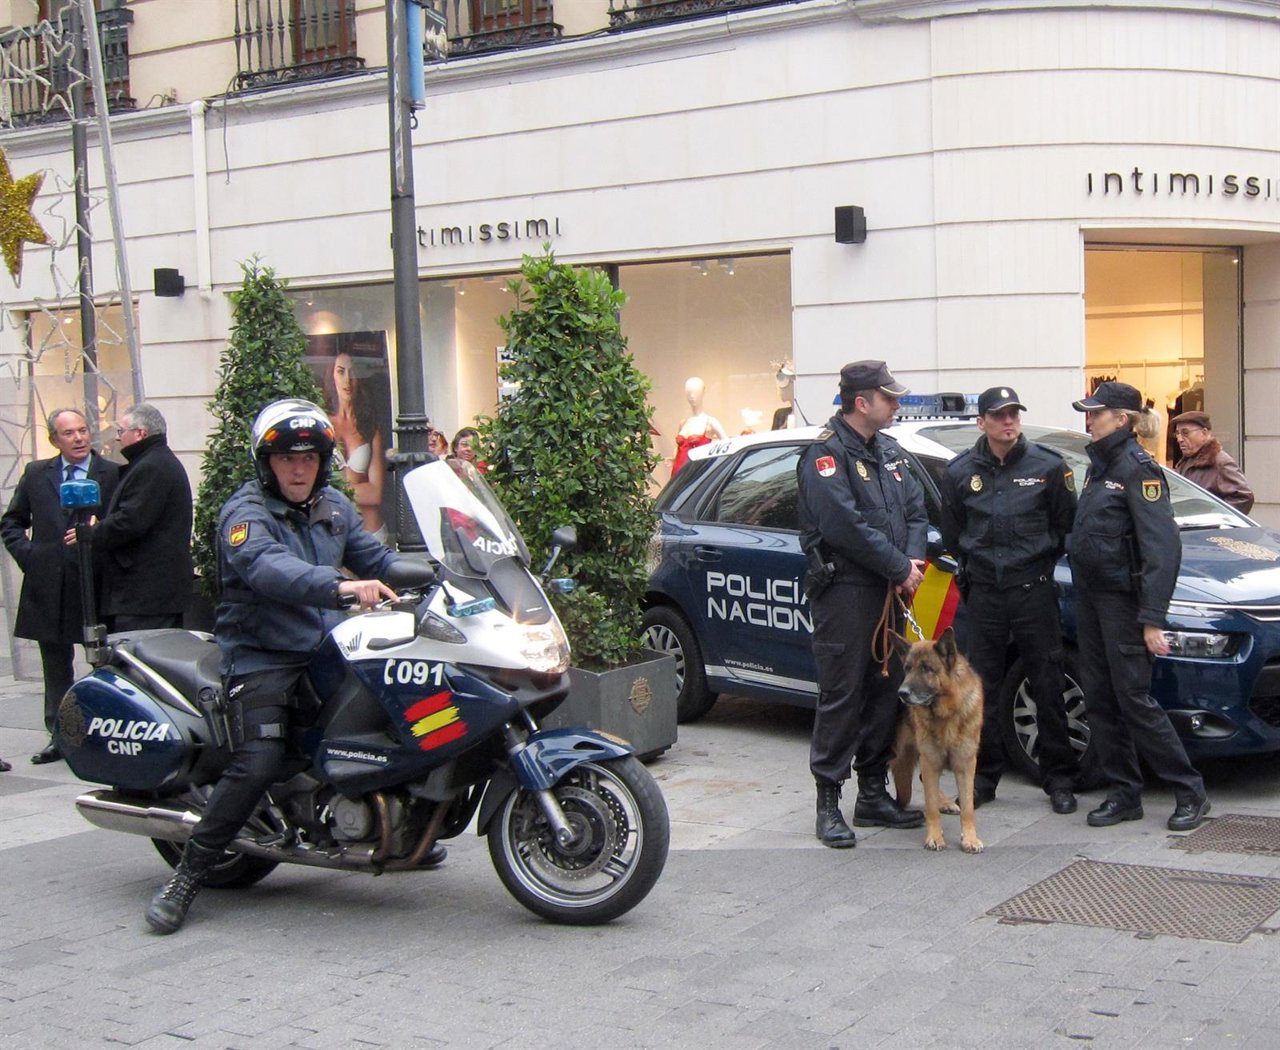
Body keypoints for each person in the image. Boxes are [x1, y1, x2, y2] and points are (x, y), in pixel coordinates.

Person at [144, 399, 444, 934]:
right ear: (267, 463)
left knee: (401, 708)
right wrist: (340, 587)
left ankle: (400, 831)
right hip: (261, 656)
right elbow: (267, 569)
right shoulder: (246, 514)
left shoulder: (333, 505)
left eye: (308, 456)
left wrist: (443, 572)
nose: (298, 468)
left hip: (328, 645)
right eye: (286, 458)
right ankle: (188, 876)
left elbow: (375, 560)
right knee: (257, 762)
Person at [796, 360, 927, 848]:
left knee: (885, 689)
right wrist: (898, 567)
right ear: (862, 402)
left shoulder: (889, 451)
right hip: (847, 592)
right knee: (842, 694)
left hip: (890, 590)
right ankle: (828, 801)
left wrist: (910, 563)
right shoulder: (825, 458)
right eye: (889, 398)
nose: (896, 405)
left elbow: (915, 509)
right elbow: (844, 526)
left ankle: (873, 793)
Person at [1068, 381, 1209, 832]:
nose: (1088, 420)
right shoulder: (1098, 465)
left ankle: (1190, 791)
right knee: (1101, 698)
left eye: (1097, 413)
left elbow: (1161, 550)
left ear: (1122, 420)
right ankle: (1123, 793)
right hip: (1091, 600)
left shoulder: (1138, 469)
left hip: (1123, 605)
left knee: (1134, 699)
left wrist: (1151, 619)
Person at [939, 386, 1080, 814]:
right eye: (999, 415)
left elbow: (1064, 528)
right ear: (981, 422)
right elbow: (953, 533)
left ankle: (1058, 779)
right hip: (984, 595)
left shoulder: (1049, 467)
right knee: (982, 690)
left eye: (1014, 413)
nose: (1009, 421)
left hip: (1032, 590)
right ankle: (982, 779)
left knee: (1048, 683)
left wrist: (1034, 564)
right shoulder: (960, 471)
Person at [1, 408, 120, 767]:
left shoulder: (111, 473)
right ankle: (61, 736)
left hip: (94, 584)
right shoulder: (37, 474)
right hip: (49, 585)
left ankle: (106, 734)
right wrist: (30, 556)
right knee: (56, 666)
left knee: (105, 662)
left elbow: (123, 523)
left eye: (84, 430)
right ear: (55, 439)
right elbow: (12, 522)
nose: (80, 438)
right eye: (69, 433)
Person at [81, 403, 193, 631]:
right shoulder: (154, 462)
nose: (118, 438)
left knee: (138, 658)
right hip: (148, 593)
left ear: (140, 433)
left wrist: (93, 532)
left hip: (144, 594)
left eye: (121, 432)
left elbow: (130, 521)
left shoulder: (152, 466)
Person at [327, 349, 387, 538]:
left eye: (353, 372)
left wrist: (330, 492)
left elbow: (375, 494)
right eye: (341, 371)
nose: (347, 380)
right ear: (332, 375)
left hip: (371, 532)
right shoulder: (323, 426)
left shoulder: (369, 428)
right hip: (334, 535)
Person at [1171, 410, 1254, 514]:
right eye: (1177, 433)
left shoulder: (1220, 463)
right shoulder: (1186, 462)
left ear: (1204, 433)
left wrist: (1214, 518)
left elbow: (1243, 497)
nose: (1179, 439)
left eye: (1185, 433)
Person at [672, 376, 727, 474]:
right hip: (677, 473)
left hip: (696, 473)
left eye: (696, 392)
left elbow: (728, 445)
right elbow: (678, 450)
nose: (692, 396)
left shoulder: (710, 422)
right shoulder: (683, 423)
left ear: (703, 393)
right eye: (689, 393)